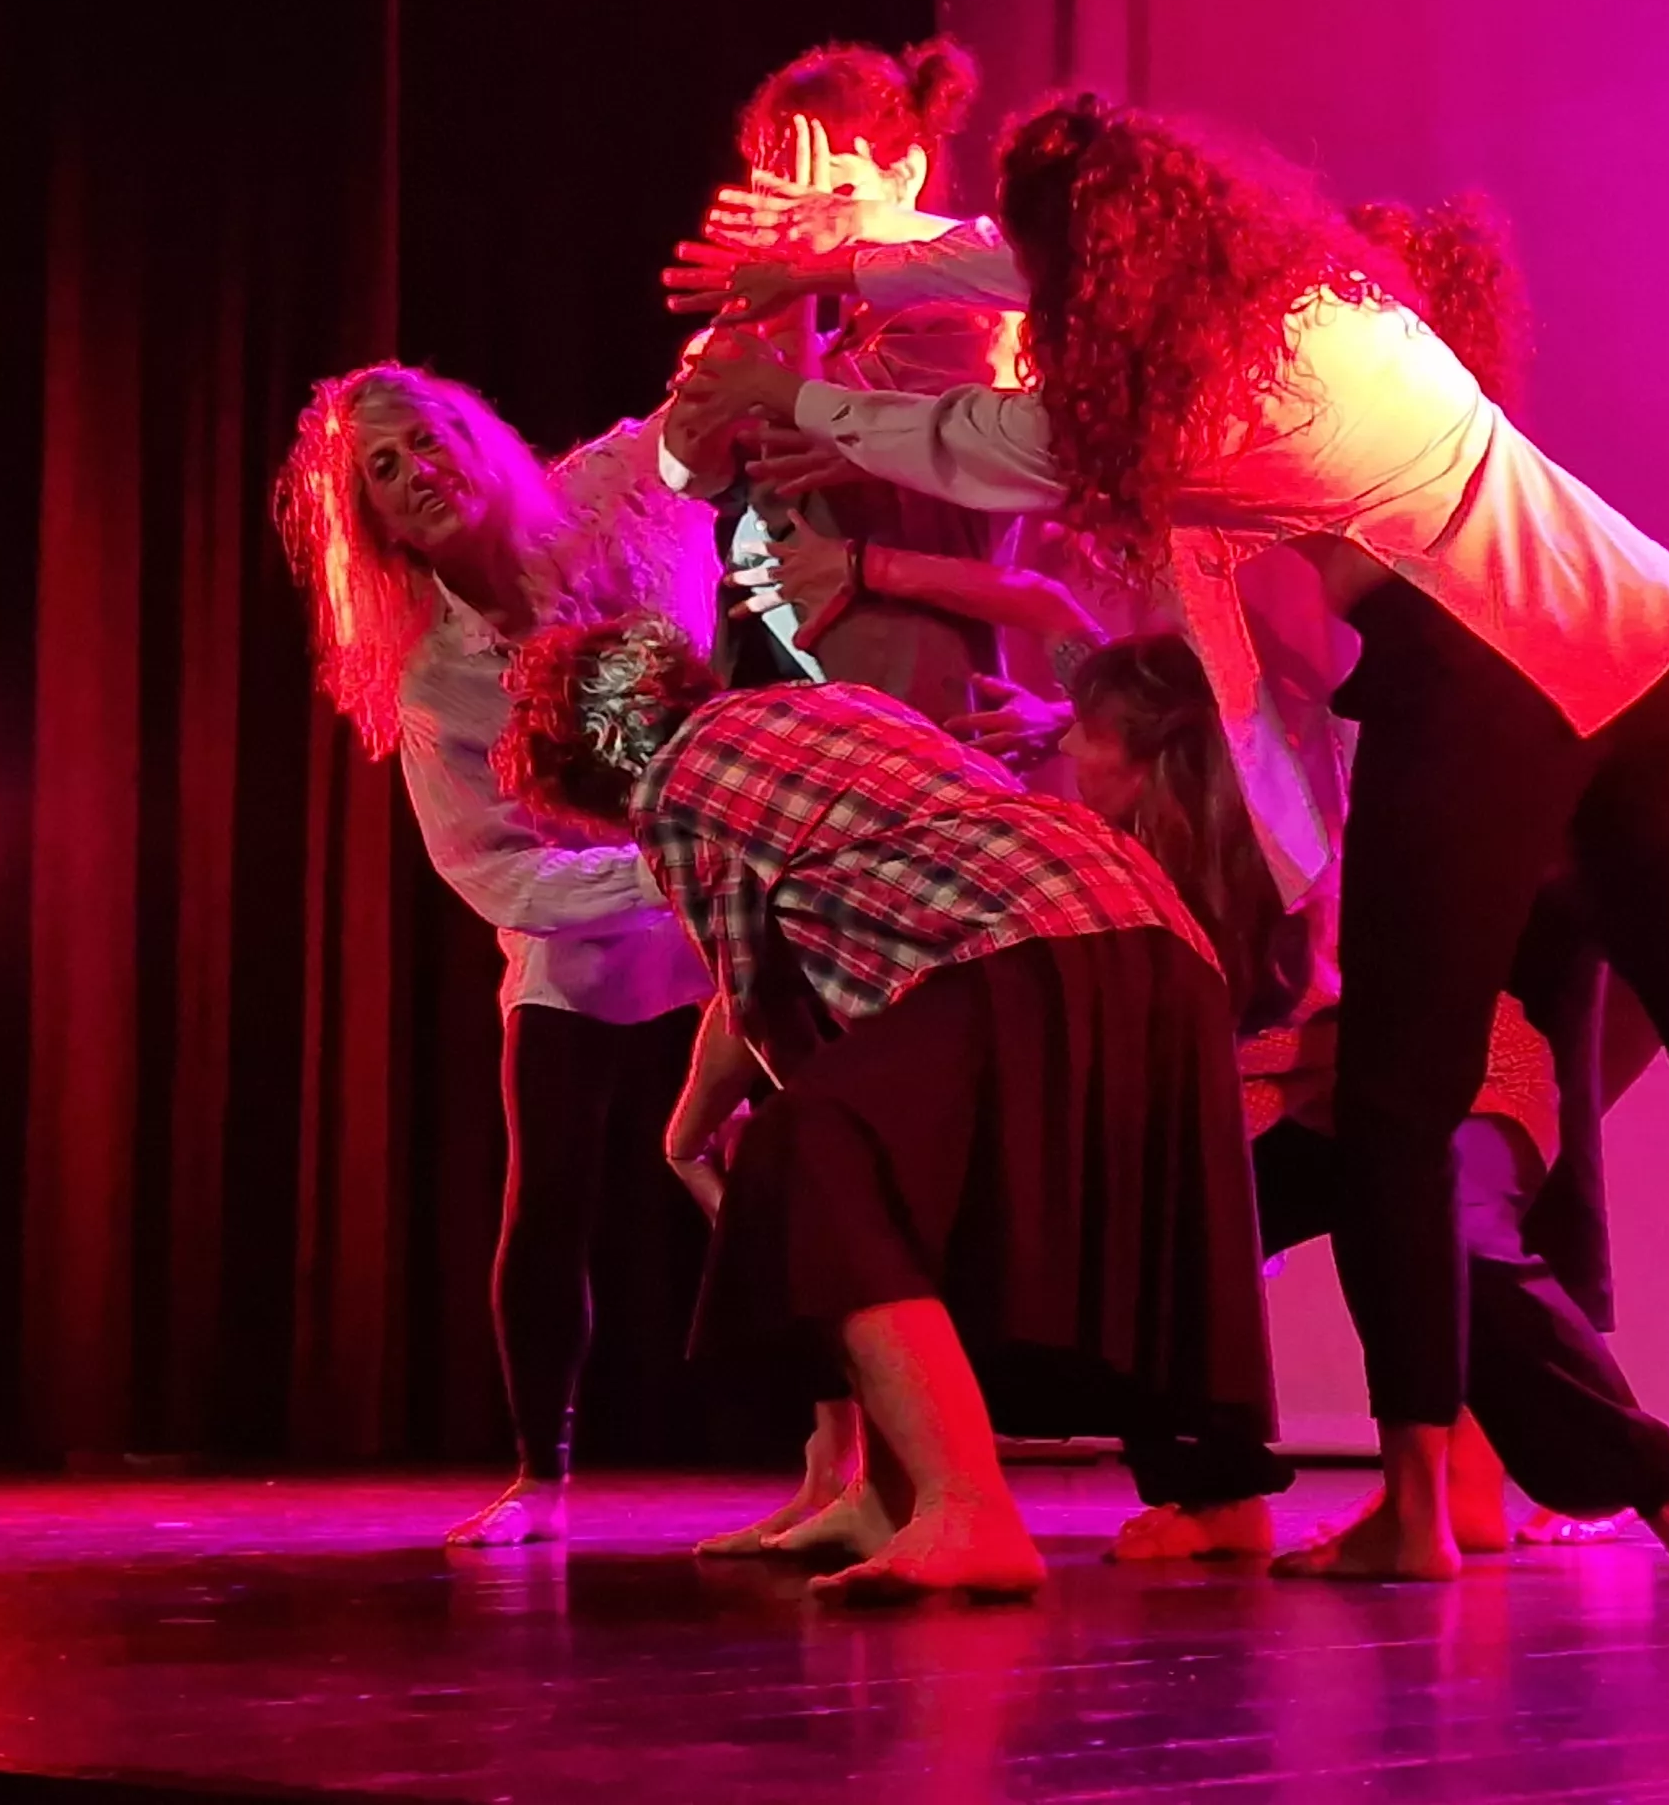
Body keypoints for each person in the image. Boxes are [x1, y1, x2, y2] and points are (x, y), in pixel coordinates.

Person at [670, 97, 1669, 1579]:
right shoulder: (1322, 289)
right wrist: (842, 276)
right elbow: (1007, 264)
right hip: (1645, 619)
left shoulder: (1185, 410)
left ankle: (1416, 1500)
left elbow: (983, 440)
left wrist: (785, 386)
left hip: (1492, 667)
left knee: (1393, 1098)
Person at [495, 616, 1270, 1604]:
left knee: (813, 1147)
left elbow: (758, 996)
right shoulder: (822, 703)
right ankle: (893, 1492)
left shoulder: (672, 789)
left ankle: (965, 1507)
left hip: (1024, 940)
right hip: (1153, 938)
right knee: (864, 1153)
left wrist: (704, 1136)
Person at [274, 365, 859, 1550]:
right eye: (382, 469)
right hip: (590, 926)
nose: (415, 472)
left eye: (428, 440)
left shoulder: (609, 491)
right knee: (547, 1195)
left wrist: (811, 262)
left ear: (476, 439)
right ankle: (539, 1476)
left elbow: (702, 407)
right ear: (371, 519)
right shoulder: (432, 674)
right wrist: (660, 875)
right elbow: (488, 869)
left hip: (735, 888)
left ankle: (841, 1452)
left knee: (794, 1161)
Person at [1063, 634, 1669, 1570]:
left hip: (1450, 1071)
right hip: (1299, 1098)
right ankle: (1215, 1493)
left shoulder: (1302, 849)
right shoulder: (1119, 866)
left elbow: (1353, 1022)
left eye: (1088, 731)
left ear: (1156, 755)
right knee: (1154, 1227)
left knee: (1450, 1233)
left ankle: (1663, 1494)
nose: (1069, 751)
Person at [656, 39, 1023, 722]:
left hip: (908, 702)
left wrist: (787, 289)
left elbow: (807, 442)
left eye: (833, 189)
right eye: (781, 195)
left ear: (904, 175)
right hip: (785, 700)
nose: (803, 217)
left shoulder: (959, 323)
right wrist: (752, 302)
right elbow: (685, 467)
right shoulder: (823, 335)